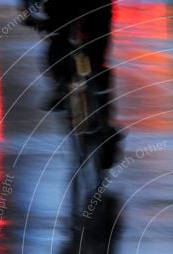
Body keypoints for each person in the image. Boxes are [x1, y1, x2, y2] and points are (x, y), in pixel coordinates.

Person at [22, 0, 121, 167]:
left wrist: (29, 13)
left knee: (62, 51)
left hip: (67, 13)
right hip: (92, 13)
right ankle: (105, 121)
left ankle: (64, 88)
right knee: (97, 63)